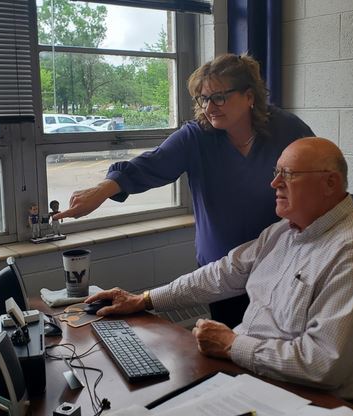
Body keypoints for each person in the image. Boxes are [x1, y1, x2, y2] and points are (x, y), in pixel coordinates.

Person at [84, 138, 353, 399]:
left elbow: (323, 365)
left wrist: (233, 345)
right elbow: (220, 274)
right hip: (250, 376)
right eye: (276, 172)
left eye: (288, 174)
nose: (274, 183)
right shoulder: (284, 232)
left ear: (330, 183)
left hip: (305, 398)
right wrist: (144, 299)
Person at [53, 53, 314, 327]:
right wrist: (101, 190)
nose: (210, 106)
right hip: (220, 271)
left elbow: (320, 176)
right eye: (203, 98)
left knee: (277, 345)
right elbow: (151, 164)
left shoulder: (286, 130)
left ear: (249, 97)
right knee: (233, 346)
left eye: (219, 97)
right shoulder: (197, 136)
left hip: (280, 265)